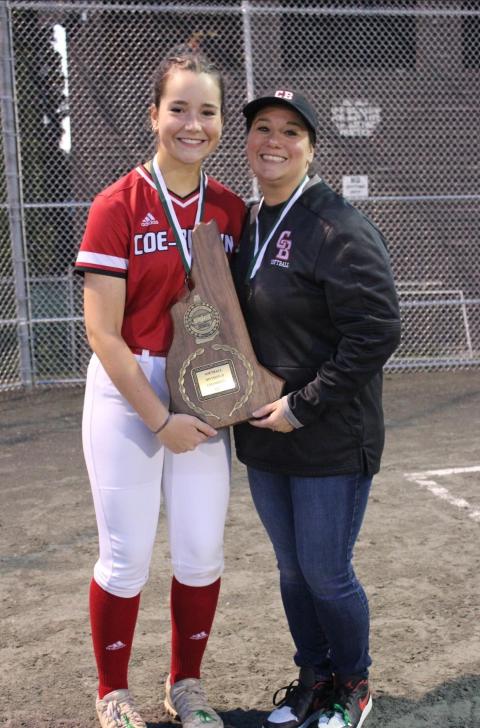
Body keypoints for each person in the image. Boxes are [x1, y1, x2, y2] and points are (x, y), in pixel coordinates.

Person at [74, 48, 246, 728]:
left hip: (203, 387)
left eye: (206, 111)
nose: (192, 124)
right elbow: (103, 335)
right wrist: (157, 419)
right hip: (132, 388)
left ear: (221, 124)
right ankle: (113, 692)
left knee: (203, 548)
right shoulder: (118, 204)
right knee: (126, 557)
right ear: (154, 115)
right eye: (178, 108)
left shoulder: (230, 209)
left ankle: (186, 684)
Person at [232, 89, 401, 728]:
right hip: (265, 435)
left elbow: (378, 330)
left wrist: (302, 406)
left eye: (291, 132)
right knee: (293, 573)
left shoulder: (337, 226)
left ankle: (352, 683)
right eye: (263, 128)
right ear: (247, 141)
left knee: (327, 573)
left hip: (327, 432)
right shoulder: (249, 224)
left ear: (311, 148)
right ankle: (313, 675)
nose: (274, 141)